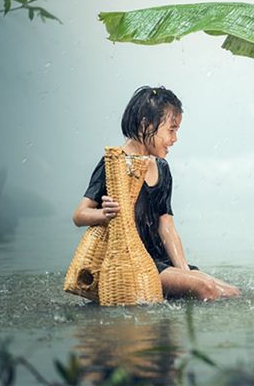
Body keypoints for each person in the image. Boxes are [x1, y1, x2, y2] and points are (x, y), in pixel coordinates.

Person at [73, 86, 240, 301]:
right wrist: (103, 214)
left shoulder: (162, 168)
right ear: (146, 124)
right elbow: (79, 215)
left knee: (231, 292)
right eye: (171, 129)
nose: (175, 138)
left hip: (161, 262)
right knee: (206, 288)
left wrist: (184, 270)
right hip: (134, 264)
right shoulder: (115, 164)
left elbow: (166, 226)